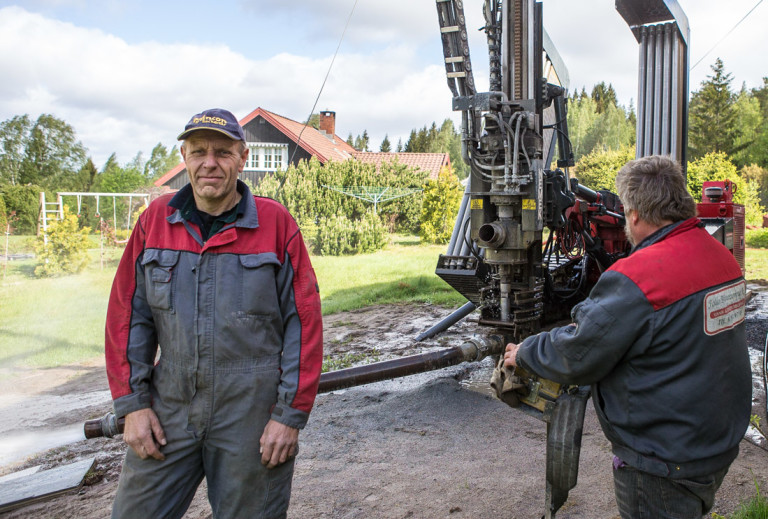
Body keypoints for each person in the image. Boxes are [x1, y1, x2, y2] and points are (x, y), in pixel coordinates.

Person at [503, 155, 751, 518]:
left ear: (633, 214)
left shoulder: (639, 277)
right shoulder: (720, 257)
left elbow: (579, 352)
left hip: (664, 460)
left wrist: (526, 351)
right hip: (714, 442)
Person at [105, 108, 323, 519]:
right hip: (168, 405)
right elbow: (127, 317)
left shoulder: (276, 225)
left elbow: (305, 325)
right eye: (199, 151)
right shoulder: (155, 221)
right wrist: (132, 405)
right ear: (184, 155)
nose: (210, 162)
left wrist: (289, 417)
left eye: (223, 153)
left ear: (242, 158)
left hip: (251, 413)